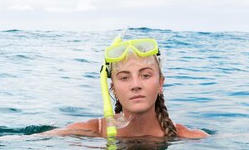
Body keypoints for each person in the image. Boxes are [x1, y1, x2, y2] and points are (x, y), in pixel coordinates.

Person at [48, 36, 208, 139]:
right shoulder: (91, 130)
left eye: (145, 75)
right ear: (114, 90)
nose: (136, 85)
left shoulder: (189, 137)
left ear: (160, 83)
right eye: (124, 78)